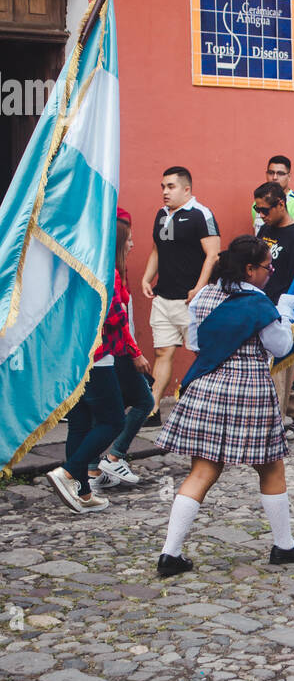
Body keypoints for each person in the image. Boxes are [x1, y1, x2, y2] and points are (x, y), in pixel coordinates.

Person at [154, 235, 294, 578]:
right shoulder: (261, 305)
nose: (270, 271)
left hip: (207, 387)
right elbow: (281, 347)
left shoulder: (203, 297)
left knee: (202, 471)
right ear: (249, 269)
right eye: (266, 266)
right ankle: (284, 545)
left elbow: (196, 343)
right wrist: (286, 313)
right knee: (271, 469)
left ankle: (170, 553)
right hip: (249, 390)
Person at [46, 224, 132, 513]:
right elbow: (115, 314)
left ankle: (81, 493)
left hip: (72, 355)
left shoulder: (70, 264)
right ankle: (69, 472)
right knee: (113, 421)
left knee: (81, 423)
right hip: (99, 356)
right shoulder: (101, 269)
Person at [142, 167, 220, 424]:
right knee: (163, 352)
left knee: (202, 355)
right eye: (163, 186)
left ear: (187, 189)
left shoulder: (201, 214)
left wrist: (199, 287)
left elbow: (213, 254)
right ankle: (152, 409)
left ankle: (205, 408)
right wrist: (146, 277)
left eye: (171, 186)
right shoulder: (160, 215)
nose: (165, 191)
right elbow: (157, 250)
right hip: (163, 298)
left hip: (191, 302)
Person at [89, 209, 154, 488]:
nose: (133, 244)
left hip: (114, 351)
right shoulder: (112, 274)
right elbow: (117, 318)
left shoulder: (115, 270)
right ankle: (110, 459)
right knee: (143, 401)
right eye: (129, 239)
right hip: (115, 351)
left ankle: (92, 469)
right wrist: (135, 351)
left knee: (104, 411)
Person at [254, 182, 294, 431]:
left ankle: (272, 430)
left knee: (278, 372)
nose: (261, 215)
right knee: (262, 375)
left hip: (282, 313)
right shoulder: (265, 229)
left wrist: (287, 315)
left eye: (265, 209)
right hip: (259, 307)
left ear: (281, 204)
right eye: (258, 209)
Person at [252, 155, 294, 233]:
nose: (275, 177)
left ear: (289, 176)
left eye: (280, 173)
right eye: (271, 173)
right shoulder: (257, 203)